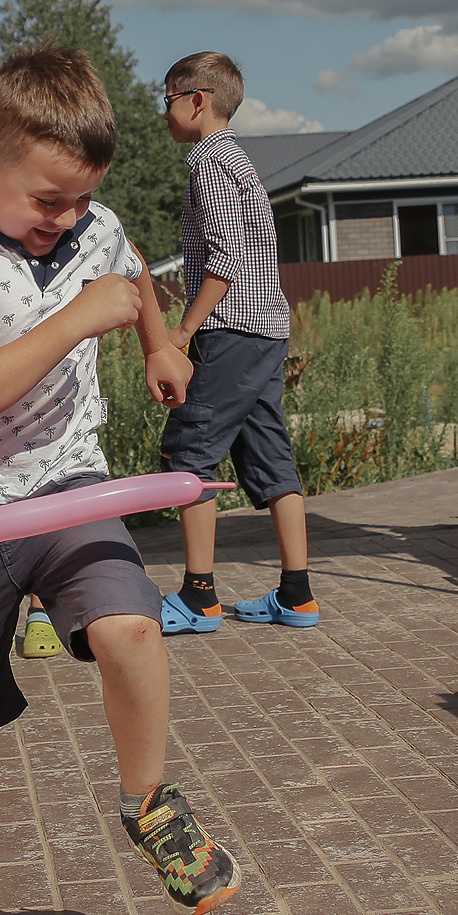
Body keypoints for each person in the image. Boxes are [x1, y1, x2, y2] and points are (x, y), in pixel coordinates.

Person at [0, 45, 242, 915]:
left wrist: (158, 344)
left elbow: (128, 272)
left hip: (69, 485)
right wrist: (74, 320)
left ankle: (150, 801)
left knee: (130, 625)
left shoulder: (97, 225)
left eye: (82, 196)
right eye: (48, 199)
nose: (68, 216)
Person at [156, 53, 318, 635]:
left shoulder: (210, 164)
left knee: (190, 454)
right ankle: (296, 595)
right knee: (269, 455)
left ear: (197, 99)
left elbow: (224, 257)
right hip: (267, 330)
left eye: (167, 99)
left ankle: (200, 597)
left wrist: (182, 330)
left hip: (231, 331)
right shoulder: (238, 162)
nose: (164, 113)